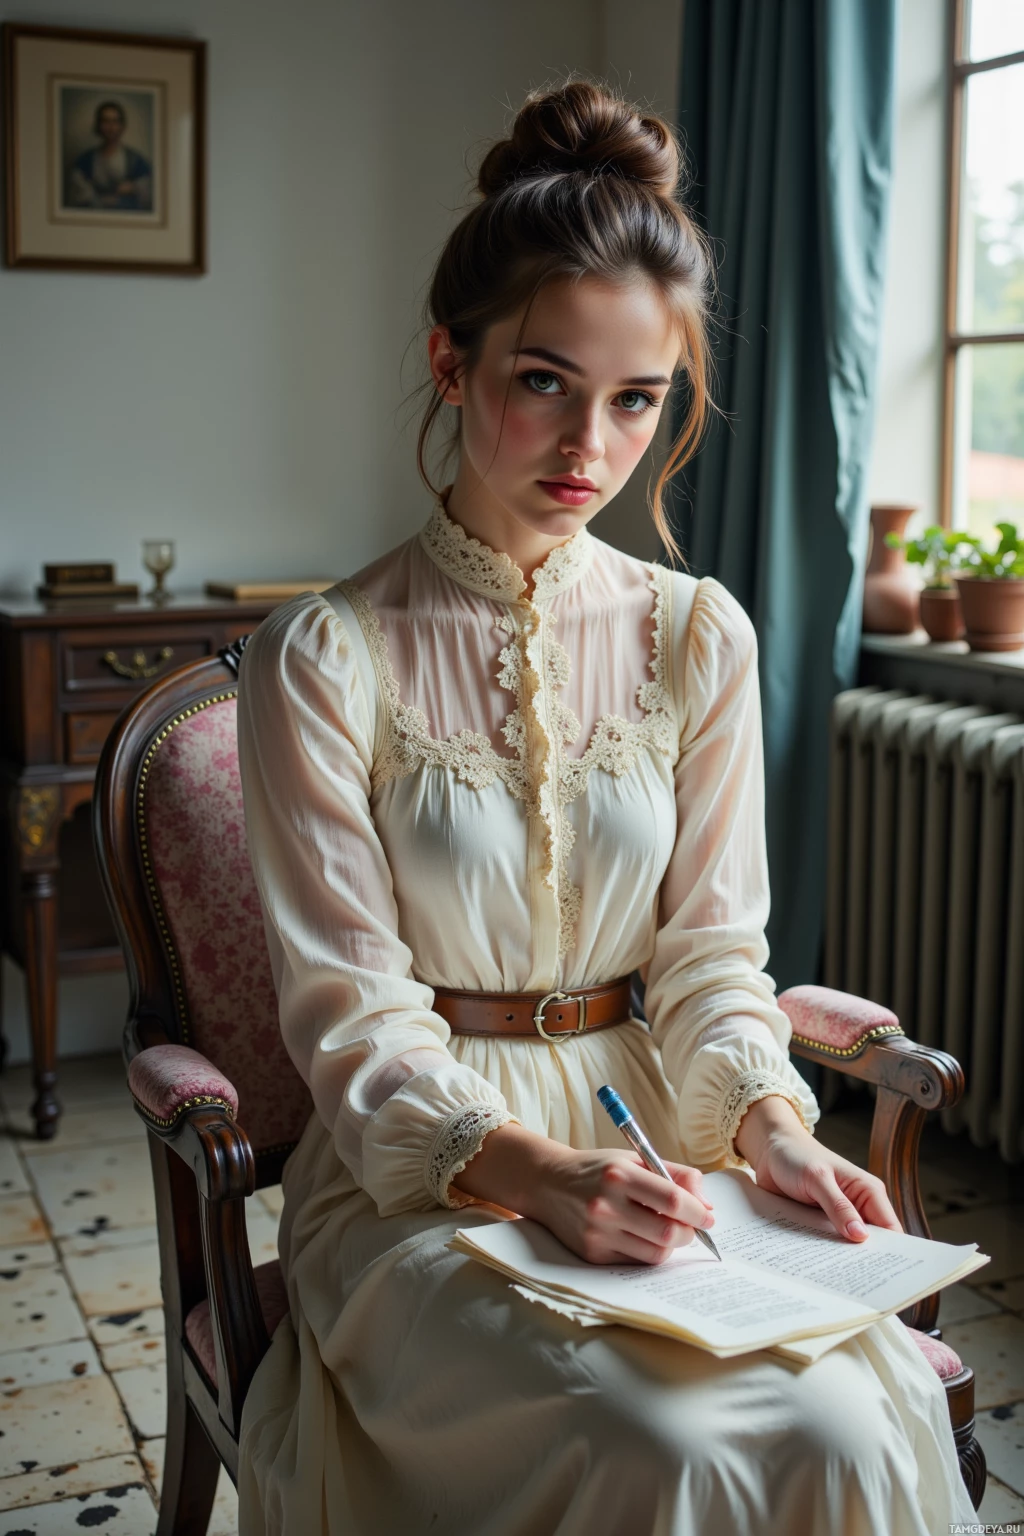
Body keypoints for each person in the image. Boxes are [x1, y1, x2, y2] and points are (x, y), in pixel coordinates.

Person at [235, 77, 976, 1536]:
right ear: (453, 365)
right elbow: (352, 1021)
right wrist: (530, 1174)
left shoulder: (700, 636)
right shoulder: (324, 656)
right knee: (670, 1452)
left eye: (638, 399)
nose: (592, 443)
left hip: (662, 1138)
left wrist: (771, 1127)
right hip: (425, 1174)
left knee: (836, 1417)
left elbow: (710, 955)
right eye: (544, 381)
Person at [65, 99, 153, 212]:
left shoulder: (136, 161)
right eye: (106, 121)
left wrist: (133, 188)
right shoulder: (85, 161)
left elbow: (148, 195)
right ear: (98, 125)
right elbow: (78, 196)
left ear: (122, 126)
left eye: (115, 121)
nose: (111, 127)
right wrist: (100, 199)